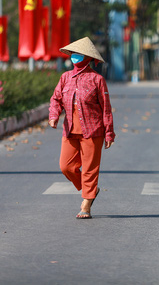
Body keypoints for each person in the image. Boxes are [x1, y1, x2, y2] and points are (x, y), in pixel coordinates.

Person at [49, 37, 115, 219]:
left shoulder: (97, 79)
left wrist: (109, 132)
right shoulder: (65, 78)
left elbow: (106, 108)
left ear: (87, 57)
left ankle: (86, 203)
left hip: (93, 131)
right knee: (66, 166)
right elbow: (55, 99)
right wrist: (54, 115)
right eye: (73, 54)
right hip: (70, 130)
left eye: (78, 54)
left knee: (90, 169)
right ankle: (91, 189)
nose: (74, 57)